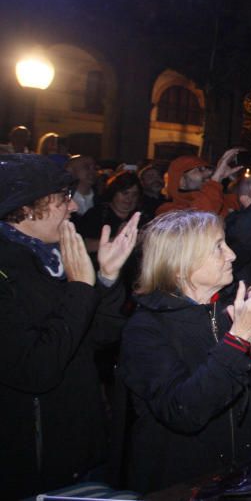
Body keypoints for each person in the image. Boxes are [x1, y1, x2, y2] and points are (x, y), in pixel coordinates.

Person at [119, 211, 251, 493]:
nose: (232, 255)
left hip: (242, 477)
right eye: (218, 247)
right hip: (184, 486)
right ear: (180, 265)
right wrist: (238, 338)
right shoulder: (146, 329)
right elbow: (184, 411)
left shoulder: (227, 312)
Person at [0, 154, 139, 498]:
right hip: (38, 463)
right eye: (63, 198)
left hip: (82, 441)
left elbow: (99, 337)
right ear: (28, 207)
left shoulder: (53, 256)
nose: (74, 207)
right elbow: (36, 370)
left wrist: (106, 278)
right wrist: (79, 288)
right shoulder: (7, 274)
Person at [156, 148, 243, 216]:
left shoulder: (223, 200)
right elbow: (201, 218)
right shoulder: (167, 211)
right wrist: (216, 180)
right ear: (181, 182)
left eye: (209, 169)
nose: (209, 173)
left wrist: (235, 181)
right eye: (200, 170)